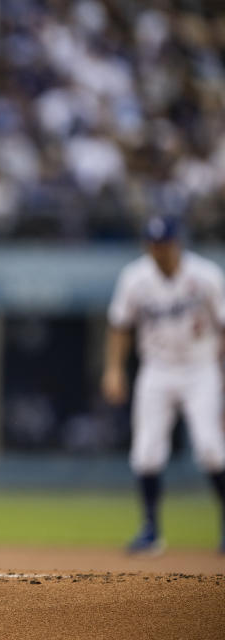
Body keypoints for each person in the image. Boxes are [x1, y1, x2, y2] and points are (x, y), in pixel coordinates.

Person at [102, 214, 225, 555]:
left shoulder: (206, 276)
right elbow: (119, 325)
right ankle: (151, 531)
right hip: (157, 368)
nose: (159, 251)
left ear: (177, 243)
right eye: (154, 245)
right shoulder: (135, 278)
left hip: (201, 369)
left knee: (211, 449)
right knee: (145, 454)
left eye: (165, 244)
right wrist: (113, 369)